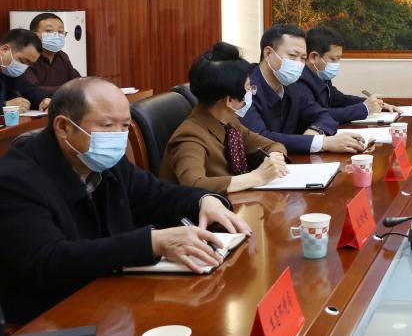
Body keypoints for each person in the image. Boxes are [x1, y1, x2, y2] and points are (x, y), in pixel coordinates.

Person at [0, 78, 252, 323]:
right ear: (63, 127)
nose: (118, 137)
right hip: (53, 318)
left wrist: (204, 200)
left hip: (113, 296)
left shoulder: (104, 161)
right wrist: (152, 242)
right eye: (107, 125)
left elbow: (157, 195)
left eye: (125, 126)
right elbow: (51, 261)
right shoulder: (15, 179)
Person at [161, 42, 288, 193]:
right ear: (230, 100)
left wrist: (273, 160)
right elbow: (194, 185)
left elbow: (273, 145)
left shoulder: (229, 122)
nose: (252, 92)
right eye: (248, 88)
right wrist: (257, 177)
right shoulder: (189, 136)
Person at [240, 23, 365, 155]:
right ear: (268, 53)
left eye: (303, 58)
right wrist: (321, 143)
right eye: (292, 56)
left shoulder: (291, 85)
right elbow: (260, 138)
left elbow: (324, 115)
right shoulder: (244, 88)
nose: (298, 64)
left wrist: (316, 131)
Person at [296, 25, 397, 124]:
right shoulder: (299, 81)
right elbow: (317, 115)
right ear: (313, 57)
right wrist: (364, 108)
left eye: (339, 59)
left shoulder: (321, 76)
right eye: (333, 59)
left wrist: (373, 103)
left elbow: (338, 99)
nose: (336, 64)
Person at [24, 13, 83, 111]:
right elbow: (32, 91)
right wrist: (67, 89)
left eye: (60, 32)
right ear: (34, 35)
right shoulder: (26, 57)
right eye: (49, 31)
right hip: (35, 112)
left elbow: (78, 84)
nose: (56, 36)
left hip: (62, 108)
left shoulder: (62, 56)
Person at [0, 28, 45, 112]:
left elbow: (31, 91)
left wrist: (44, 100)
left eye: (29, 64)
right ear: (4, 50)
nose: (24, 67)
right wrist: (5, 105)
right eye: (23, 61)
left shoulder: (14, 74)